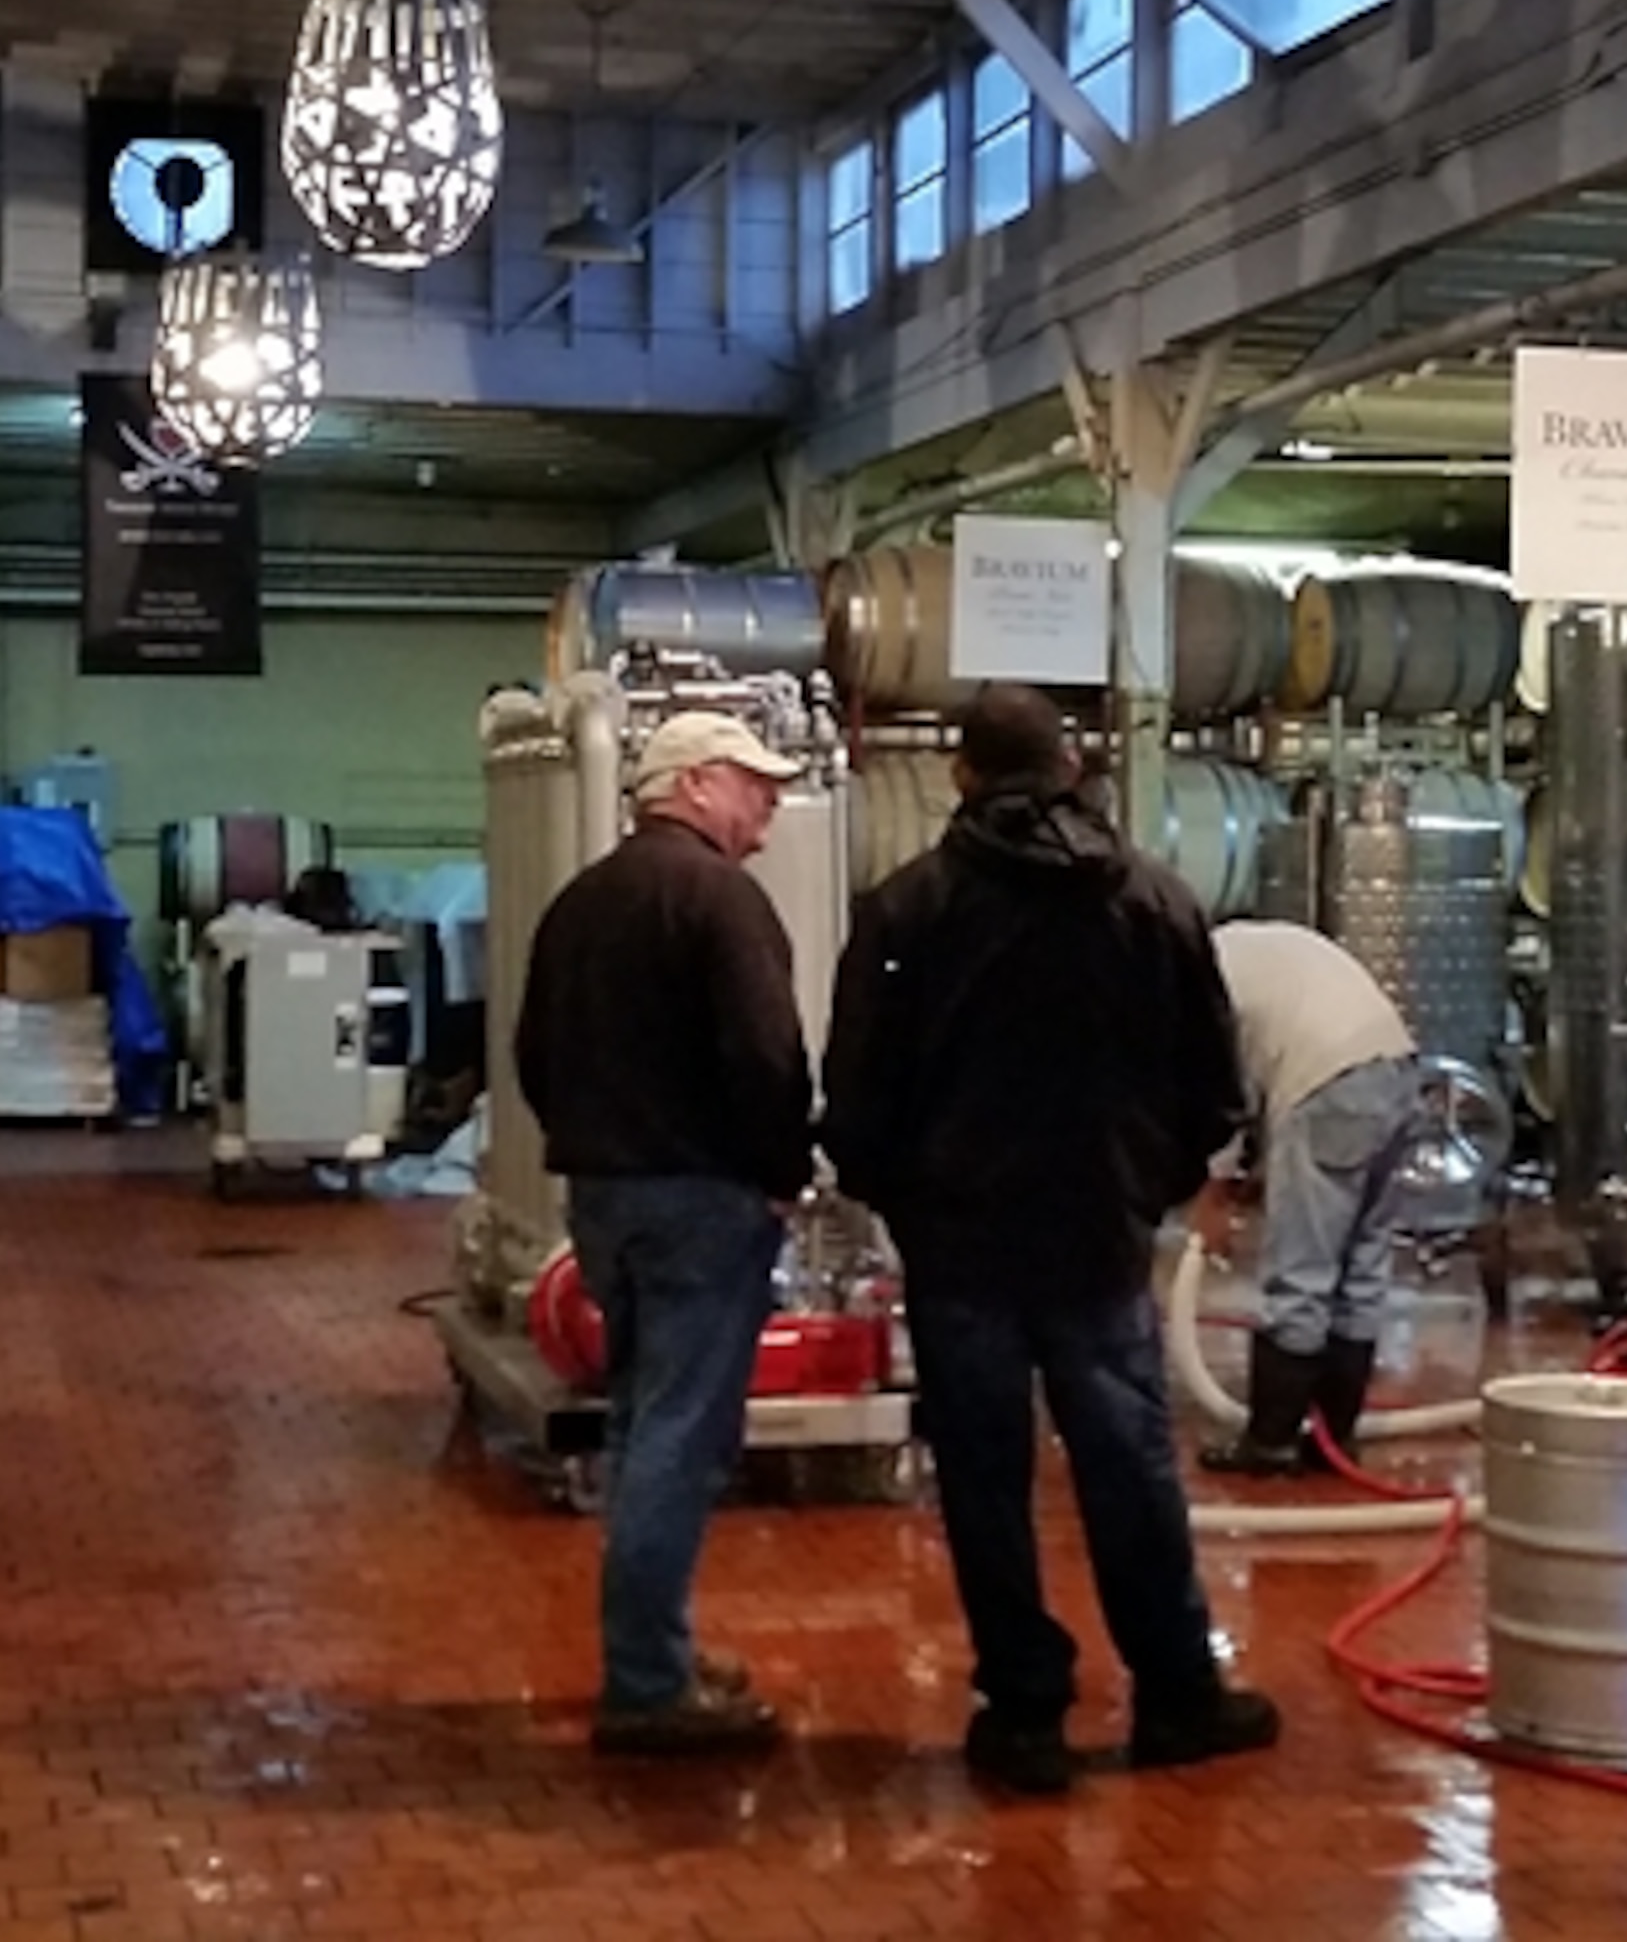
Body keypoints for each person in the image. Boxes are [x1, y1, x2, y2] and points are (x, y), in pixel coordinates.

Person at [821, 684, 1280, 1797]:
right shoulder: (1153, 901)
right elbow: (1213, 1084)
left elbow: (858, 1086)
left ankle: (1023, 1709)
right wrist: (1143, 1189)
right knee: (1127, 1464)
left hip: (960, 1242)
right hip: (1097, 1237)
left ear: (963, 775)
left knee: (984, 1476)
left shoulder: (905, 910)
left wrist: (904, 1199)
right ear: (1071, 766)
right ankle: (1176, 1694)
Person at [513, 710, 814, 1757]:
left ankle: (657, 1645)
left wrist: (590, 1146)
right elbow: (768, 1057)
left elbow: (531, 1051)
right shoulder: (721, 901)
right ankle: (646, 1683)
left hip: (605, 1197)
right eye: (753, 786)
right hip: (702, 1203)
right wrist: (782, 1173)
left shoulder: (579, 903)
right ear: (691, 786)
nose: (770, 808)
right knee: (679, 1443)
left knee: (644, 1425)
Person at [1198, 919, 1434, 1476]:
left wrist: (1213, 1194)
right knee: (1361, 1269)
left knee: (1301, 1272)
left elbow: (1220, 1091)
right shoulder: (1253, 947)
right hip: (1398, 1070)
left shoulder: (1202, 976)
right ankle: (1335, 1437)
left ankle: (1272, 1442)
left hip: (1326, 1083)